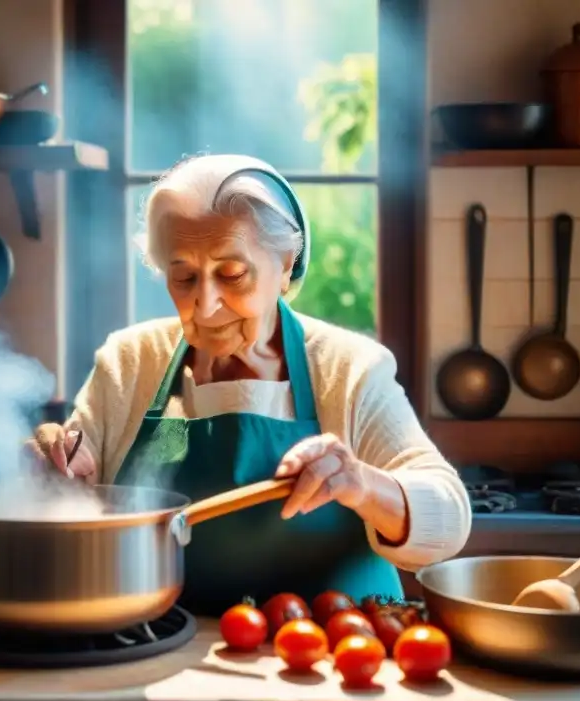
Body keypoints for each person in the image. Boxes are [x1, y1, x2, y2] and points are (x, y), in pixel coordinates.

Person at [30, 154, 470, 616]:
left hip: (334, 655)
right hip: (164, 652)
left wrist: (362, 484)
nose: (206, 305)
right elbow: (73, 507)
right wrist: (57, 468)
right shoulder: (130, 361)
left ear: (285, 265)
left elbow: (449, 521)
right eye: (184, 278)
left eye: (232, 274)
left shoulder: (351, 368)